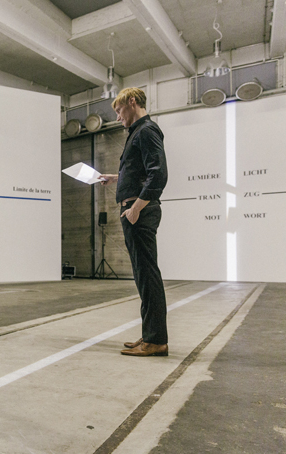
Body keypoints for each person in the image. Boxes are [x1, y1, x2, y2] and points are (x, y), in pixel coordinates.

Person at [100, 87, 169, 357]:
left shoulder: (146, 130)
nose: (118, 117)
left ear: (132, 102)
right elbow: (140, 171)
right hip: (135, 210)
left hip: (139, 211)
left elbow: (158, 174)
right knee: (143, 275)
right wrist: (115, 177)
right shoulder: (138, 132)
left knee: (147, 275)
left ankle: (156, 341)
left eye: (119, 111)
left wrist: (136, 208)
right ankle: (150, 334)